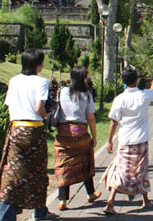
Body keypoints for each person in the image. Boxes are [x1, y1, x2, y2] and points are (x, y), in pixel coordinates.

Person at [0, 49, 57, 221]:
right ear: (39, 64)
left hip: (16, 129)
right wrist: (46, 115)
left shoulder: (14, 81)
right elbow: (38, 108)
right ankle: (39, 212)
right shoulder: (41, 82)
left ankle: (7, 216)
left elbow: (9, 105)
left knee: (12, 174)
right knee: (37, 173)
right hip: (34, 130)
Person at [99, 67, 153, 215]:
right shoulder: (143, 95)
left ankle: (111, 201)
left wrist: (109, 141)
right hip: (141, 141)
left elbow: (113, 121)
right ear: (136, 79)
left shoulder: (120, 98)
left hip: (125, 140)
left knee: (121, 170)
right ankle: (145, 200)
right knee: (141, 170)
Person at [54, 66, 101, 211]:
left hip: (63, 134)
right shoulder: (86, 95)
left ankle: (62, 200)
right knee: (85, 162)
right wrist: (94, 136)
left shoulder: (61, 91)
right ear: (83, 78)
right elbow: (91, 118)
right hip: (80, 133)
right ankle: (91, 193)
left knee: (63, 165)